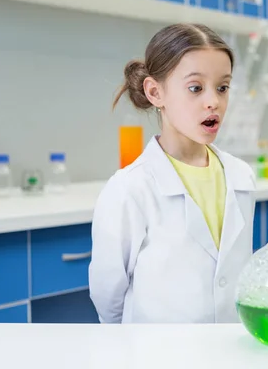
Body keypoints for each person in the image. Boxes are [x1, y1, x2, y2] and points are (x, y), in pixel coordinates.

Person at [89, 23, 258, 324]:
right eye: (196, 88)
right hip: (157, 353)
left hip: (230, 349)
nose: (214, 102)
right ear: (155, 92)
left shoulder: (241, 176)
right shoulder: (130, 188)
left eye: (223, 87)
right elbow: (108, 295)